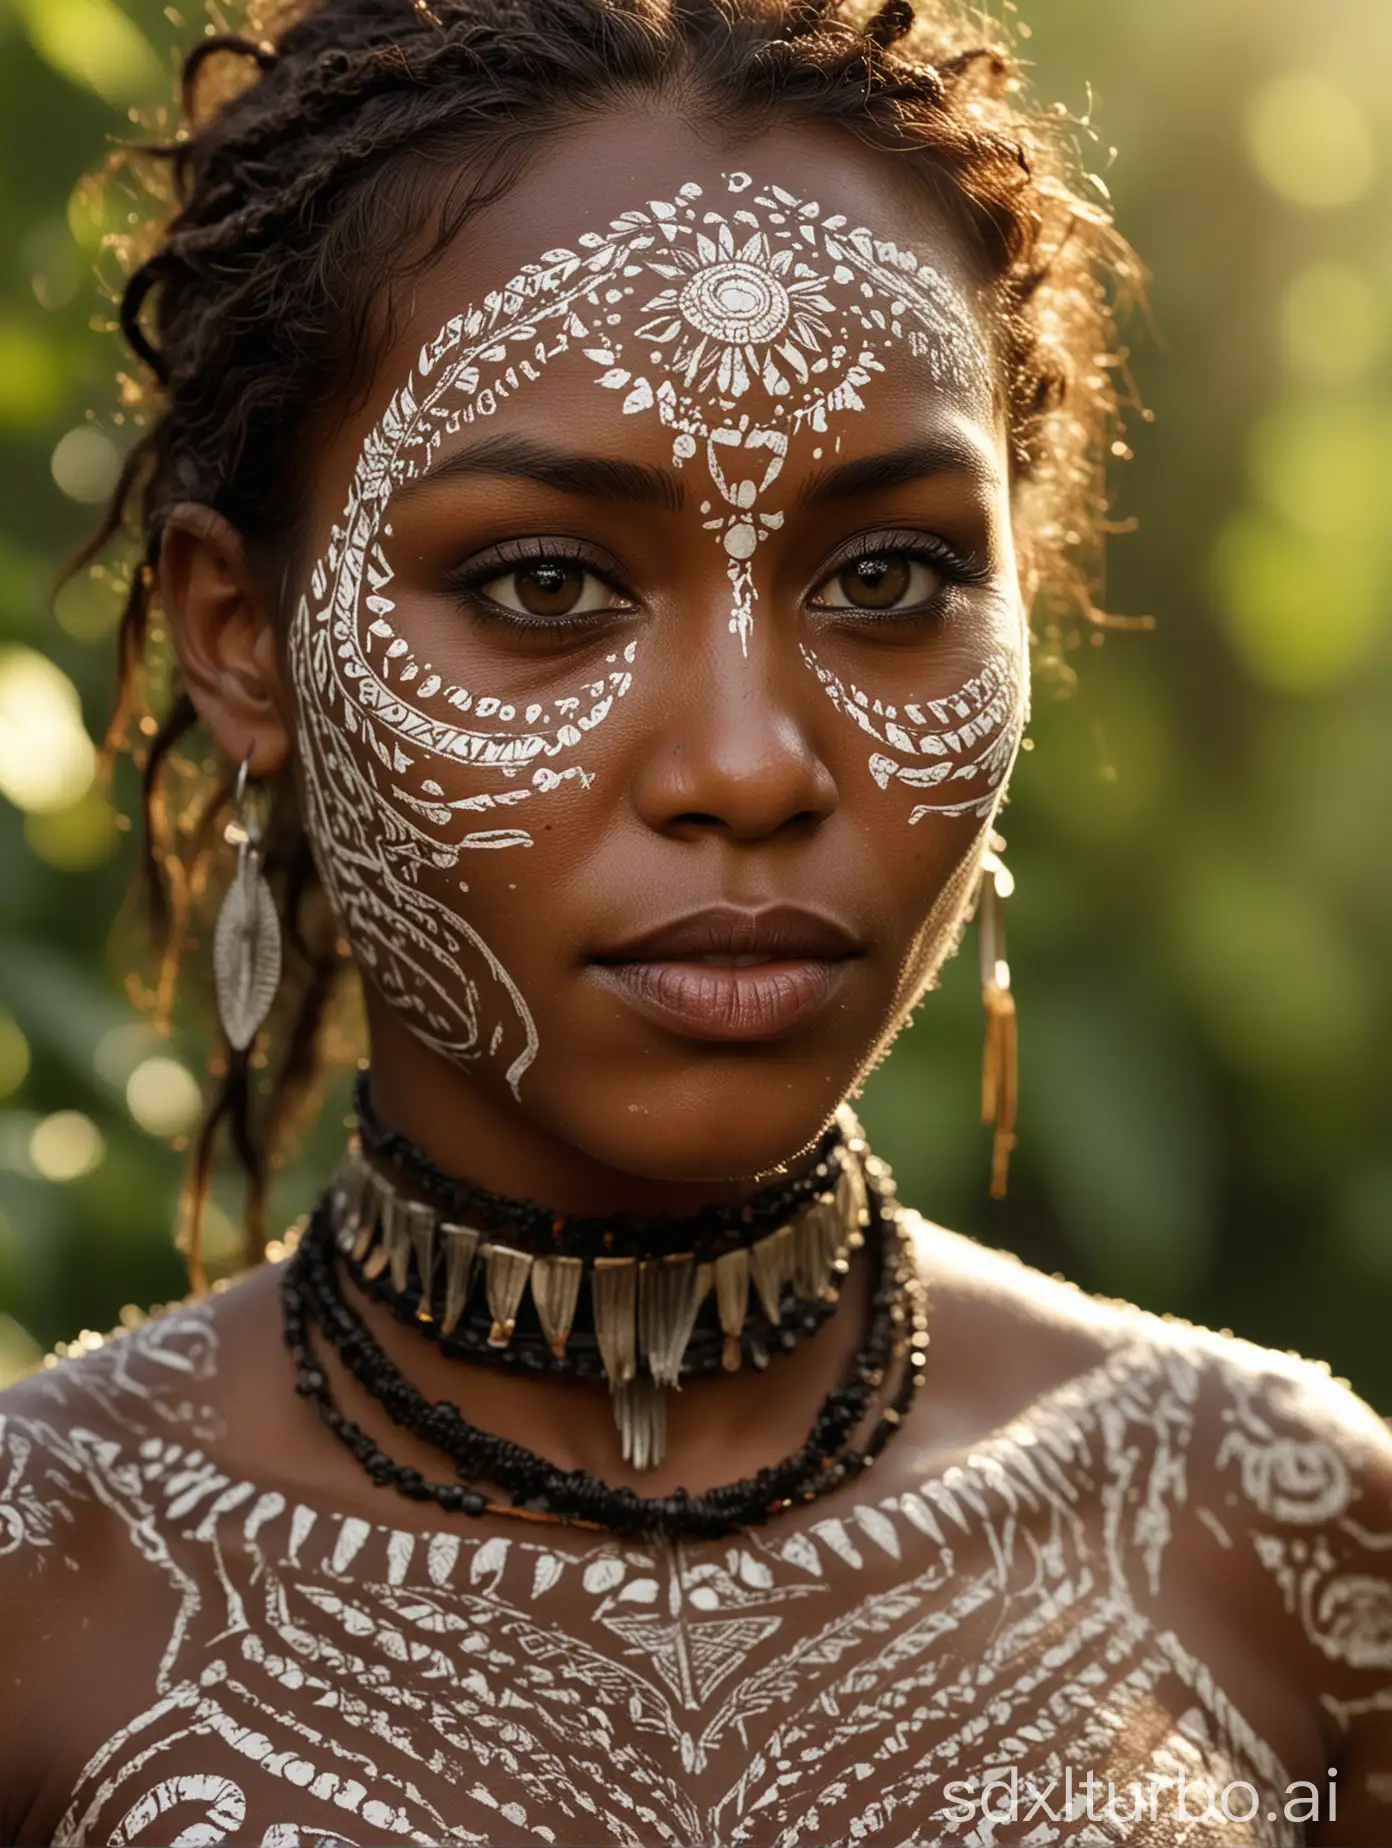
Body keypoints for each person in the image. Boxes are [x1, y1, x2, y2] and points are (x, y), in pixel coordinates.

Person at [2, 0, 1389, 1841]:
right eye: (548, 581)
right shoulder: (40, 1597)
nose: (749, 763)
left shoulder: (1291, 1547)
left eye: (888, 576)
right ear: (243, 638)